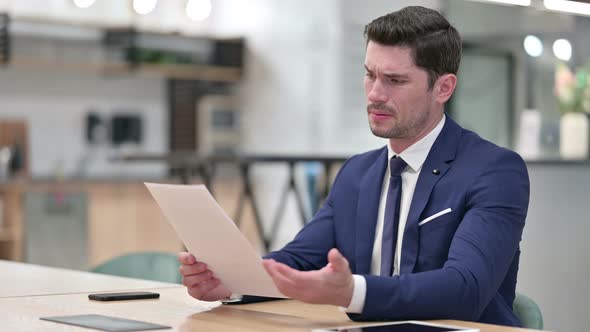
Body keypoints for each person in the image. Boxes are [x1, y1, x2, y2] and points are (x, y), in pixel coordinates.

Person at [178, 6, 529, 327]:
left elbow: (465, 289)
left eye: (395, 80)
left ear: (443, 88)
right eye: (369, 75)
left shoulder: (495, 171)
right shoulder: (358, 174)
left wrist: (353, 293)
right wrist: (233, 282)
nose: (375, 93)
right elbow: (300, 260)